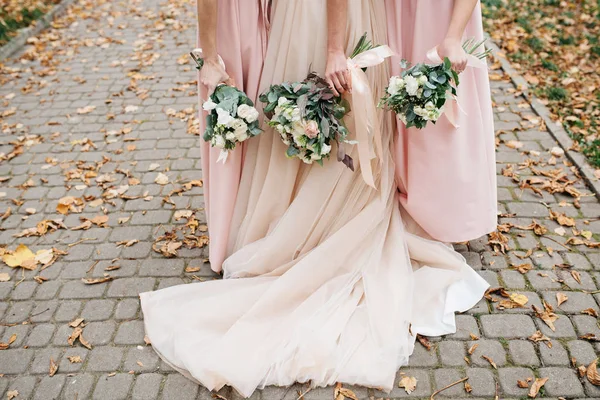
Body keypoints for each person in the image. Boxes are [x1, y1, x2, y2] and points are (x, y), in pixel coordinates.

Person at [141, 0, 489, 397]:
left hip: (315, 17)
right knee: (338, 116)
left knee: (323, 114)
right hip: (336, 18)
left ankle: (298, 223)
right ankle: (322, 224)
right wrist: (335, 49)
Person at [385, 0, 498, 243]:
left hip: (441, 14)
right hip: (397, 10)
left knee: (437, 108)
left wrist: (453, 36)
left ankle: (444, 212)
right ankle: (401, 199)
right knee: (402, 98)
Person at [197, 0, 269, 273]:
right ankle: (228, 235)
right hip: (229, 22)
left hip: (263, 21)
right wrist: (210, 57)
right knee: (231, 121)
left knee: (258, 121)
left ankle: (255, 221)